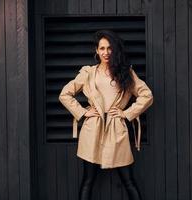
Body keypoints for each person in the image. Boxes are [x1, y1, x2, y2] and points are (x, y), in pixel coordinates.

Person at [58, 30, 153, 200]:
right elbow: (65, 94)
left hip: (117, 129)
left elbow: (147, 95)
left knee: (129, 180)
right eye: (102, 48)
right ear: (96, 50)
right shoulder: (88, 73)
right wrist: (83, 112)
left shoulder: (125, 72)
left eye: (110, 48)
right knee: (88, 180)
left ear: (115, 50)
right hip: (92, 129)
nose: (106, 52)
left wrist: (126, 113)